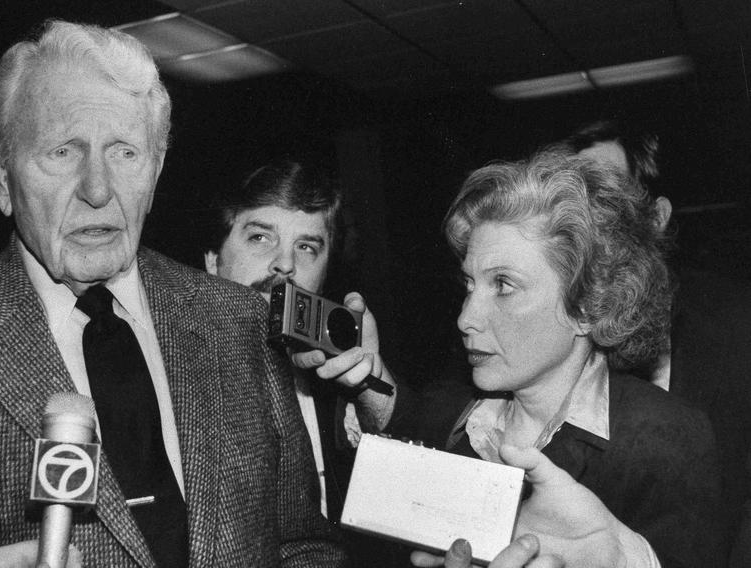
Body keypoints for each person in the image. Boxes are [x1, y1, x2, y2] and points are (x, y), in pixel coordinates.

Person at [0, 20, 345, 567]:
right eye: (62, 151)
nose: (98, 190)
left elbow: (303, 545)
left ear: (154, 173)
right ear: (1, 177)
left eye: (126, 153)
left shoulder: (239, 321)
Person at [387, 150, 724, 567]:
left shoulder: (665, 442)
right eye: (470, 285)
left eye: (504, 286)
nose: (466, 318)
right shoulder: (445, 420)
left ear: (586, 306)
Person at [564, 120, 751, 566]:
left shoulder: (736, 324)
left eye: (604, 198)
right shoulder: (554, 330)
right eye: (570, 201)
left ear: (656, 217)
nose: (583, 222)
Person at [202, 158, 401, 564]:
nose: (286, 264)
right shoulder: (171, 381)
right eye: (260, 238)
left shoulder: (337, 382)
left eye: (306, 247)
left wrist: (374, 396)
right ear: (211, 260)